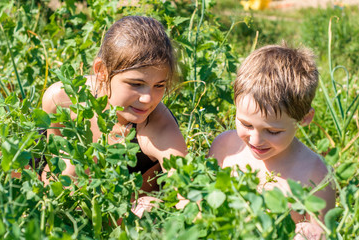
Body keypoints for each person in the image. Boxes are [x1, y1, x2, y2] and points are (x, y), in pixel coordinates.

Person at [42, 16, 187, 194]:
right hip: (65, 193)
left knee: (146, 206)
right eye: (135, 84)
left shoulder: (159, 127)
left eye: (159, 85)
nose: (148, 99)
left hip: (126, 211)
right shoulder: (62, 99)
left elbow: (187, 193)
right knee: (69, 169)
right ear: (102, 71)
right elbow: (53, 171)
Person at [209, 44, 335, 239]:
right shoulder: (225, 147)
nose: (256, 140)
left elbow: (322, 231)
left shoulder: (316, 173)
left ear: (304, 118)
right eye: (246, 124)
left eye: (273, 131)